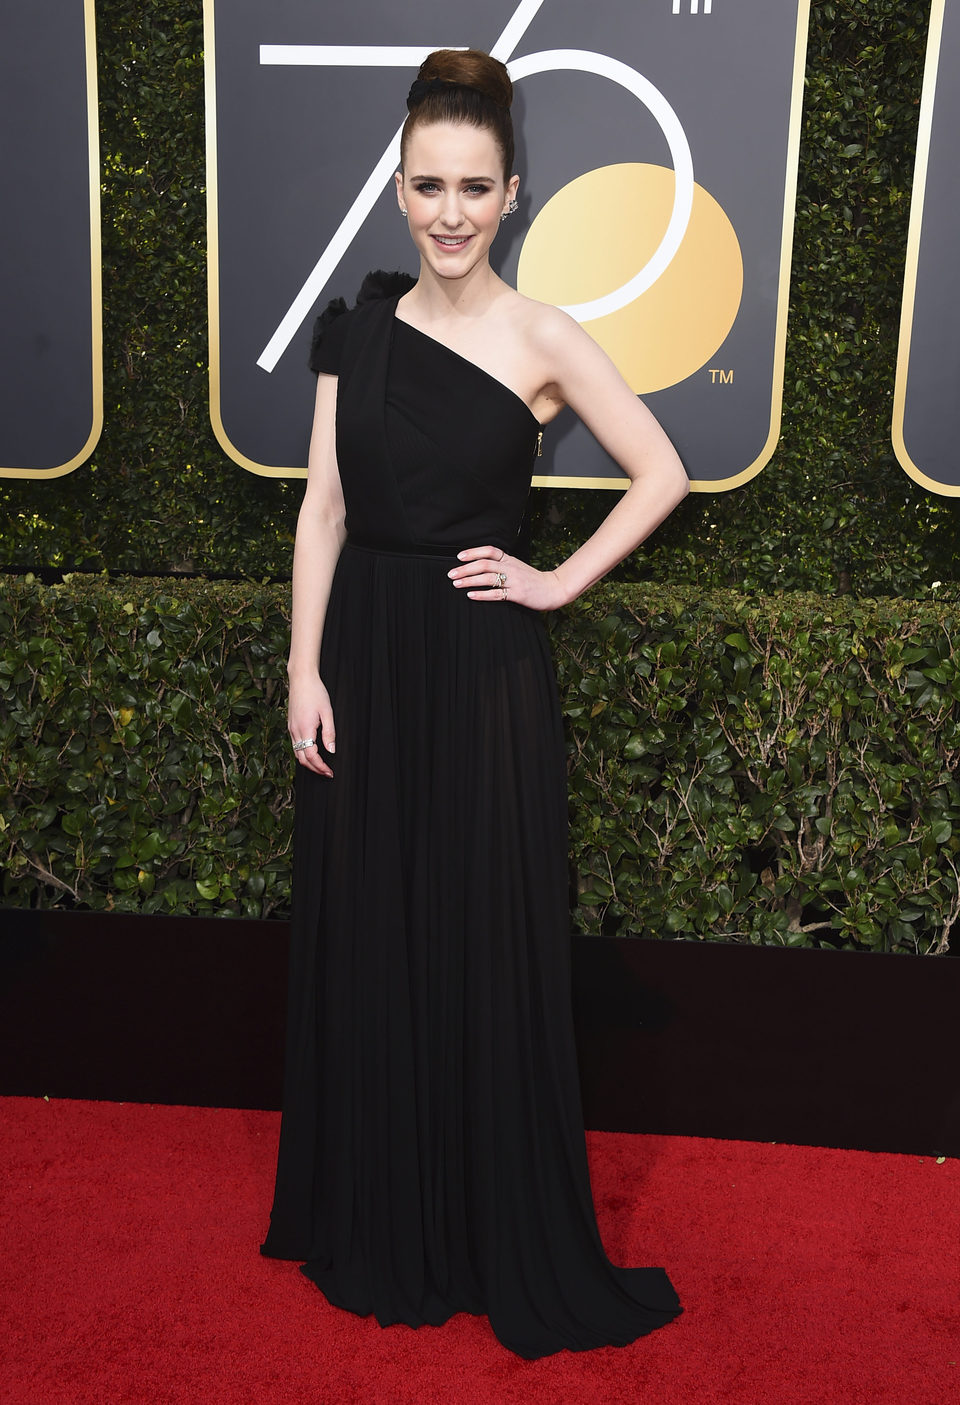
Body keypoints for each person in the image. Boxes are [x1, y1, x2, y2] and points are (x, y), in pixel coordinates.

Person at [261, 48, 689, 1359]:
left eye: (474, 187)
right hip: (370, 669)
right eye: (426, 185)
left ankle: (485, 1217)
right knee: (378, 929)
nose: (449, 210)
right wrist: (302, 667)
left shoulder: (542, 336)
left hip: (483, 671)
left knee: (476, 938)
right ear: (399, 189)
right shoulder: (359, 325)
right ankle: (382, 1205)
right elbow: (324, 507)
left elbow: (661, 471)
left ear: (513, 194)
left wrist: (554, 580)